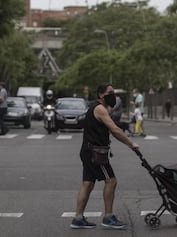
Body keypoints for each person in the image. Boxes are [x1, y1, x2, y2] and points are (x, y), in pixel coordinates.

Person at [71, 84, 139, 230]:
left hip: (89, 151)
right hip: (95, 154)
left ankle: (77, 218)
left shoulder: (99, 107)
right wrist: (131, 144)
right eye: (110, 92)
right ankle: (108, 217)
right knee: (111, 181)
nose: (112, 95)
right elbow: (114, 130)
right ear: (101, 95)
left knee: (88, 184)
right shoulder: (100, 109)